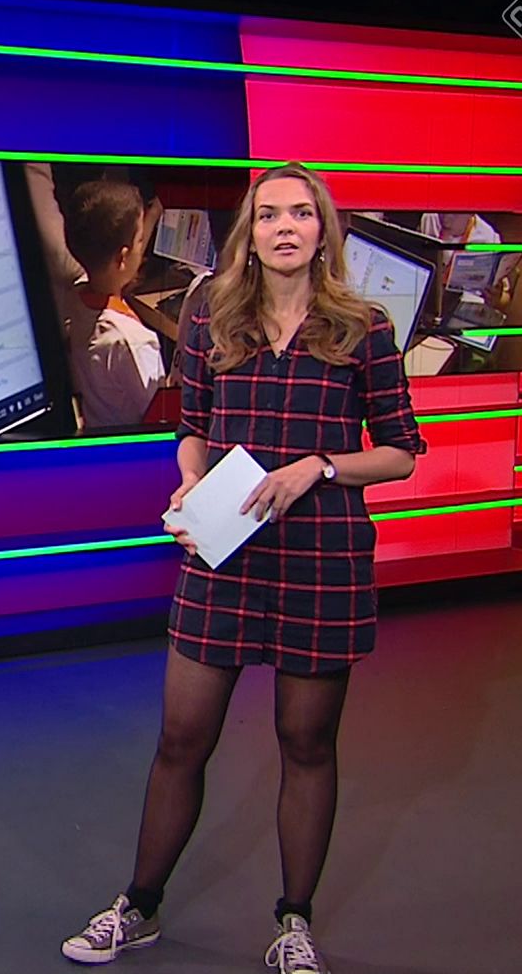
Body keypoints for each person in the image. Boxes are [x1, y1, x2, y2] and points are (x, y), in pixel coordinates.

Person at [62, 163, 425, 973]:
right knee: (181, 737)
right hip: (224, 551)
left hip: (322, 556)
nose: (285, 226)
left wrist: (319, 468)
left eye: (301, 213)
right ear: (249, 234)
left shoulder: (364, 326)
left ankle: (294, 923)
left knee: (306, 742)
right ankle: (139, 905)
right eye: (269, 215)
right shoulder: (211, 316)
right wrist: (189, 481)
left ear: (322, 231)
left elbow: (401, 452)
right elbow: (192, 428)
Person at [61, 178, 166, 428]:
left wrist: (151, 215)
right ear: (123, 257)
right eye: (140, 241)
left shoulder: (76, 298)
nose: (142, 247)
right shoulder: (133, 341)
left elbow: (117, 271)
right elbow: (159, 413)